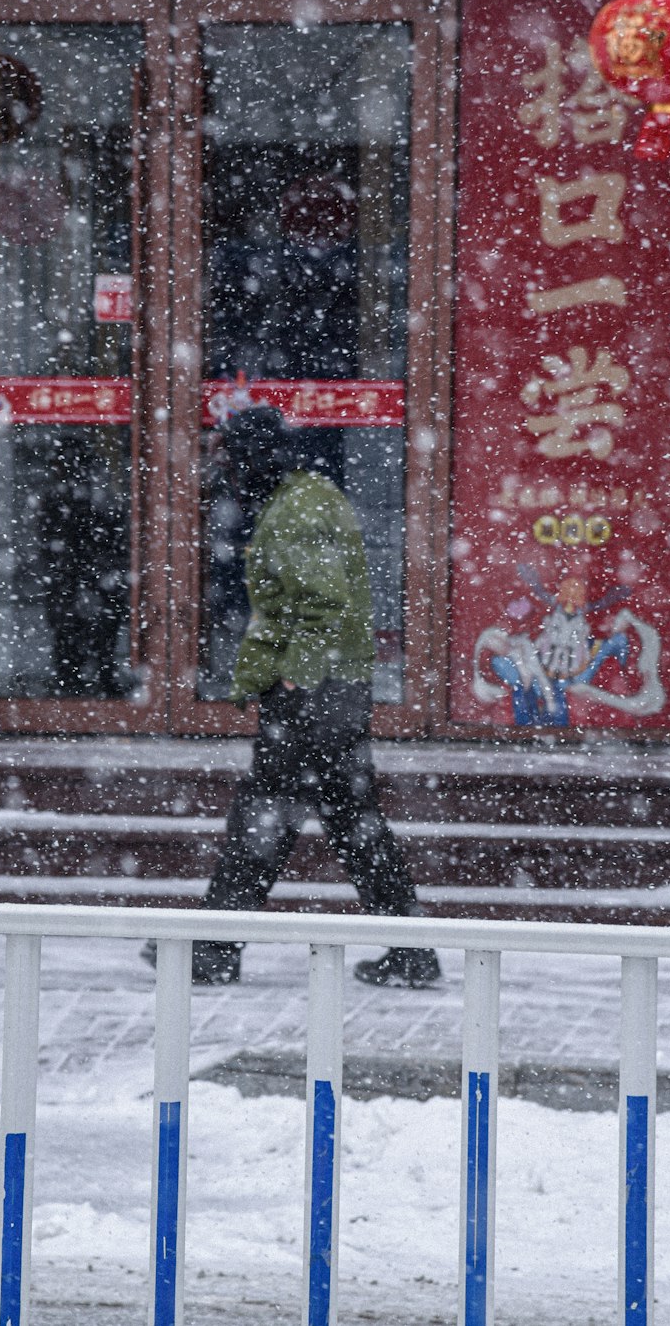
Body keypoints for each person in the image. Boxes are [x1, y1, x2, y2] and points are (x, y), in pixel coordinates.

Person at [148, 404, 440, 989]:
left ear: (255, 456)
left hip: (316, 696)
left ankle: (216, 946)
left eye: (232, 455)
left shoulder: (299, 508)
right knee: (344, 821)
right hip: (330, 694)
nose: (226, 469)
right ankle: (410, 949)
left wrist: (294, 675)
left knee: (269, 815)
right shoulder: (300, 500)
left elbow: (322, 603)